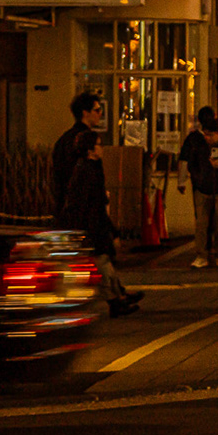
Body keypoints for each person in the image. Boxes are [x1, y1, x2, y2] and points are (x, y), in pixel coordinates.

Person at [58, 129, 143, 317]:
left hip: (93, 224)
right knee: (102, 264)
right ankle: (115, 301)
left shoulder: (90, 168)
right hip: (90, 226)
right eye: (98, 145)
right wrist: (107, 230)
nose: (101, 148)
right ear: (90, 150)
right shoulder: (86, 171)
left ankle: (118, 296)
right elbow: (89, 204)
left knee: (104, 263)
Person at [179, 108, 218, 268]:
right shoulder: (198, 143)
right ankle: (201, 255)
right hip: (202, 188)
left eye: (210, 134)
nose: (207, 137)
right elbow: (190, 163)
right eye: (206, 134)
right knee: (201, 225)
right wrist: (196, 179)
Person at [51, 90, 105, 214]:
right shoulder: (87, 140)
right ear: (85, 113)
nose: (100, 114)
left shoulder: (64, 139)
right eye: (96, 110)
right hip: (86, 207)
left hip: (65, 204)